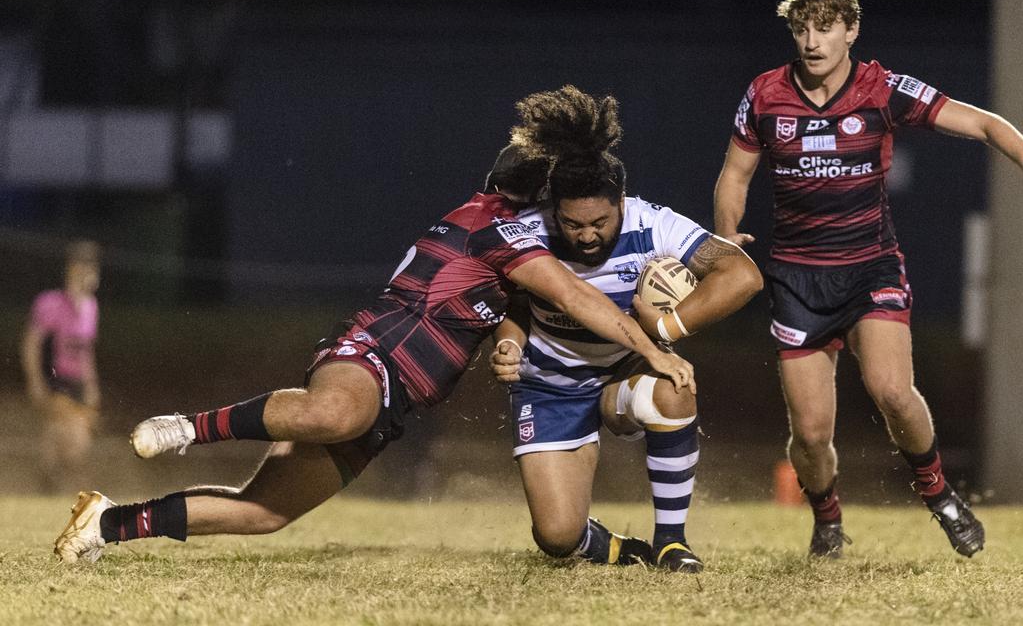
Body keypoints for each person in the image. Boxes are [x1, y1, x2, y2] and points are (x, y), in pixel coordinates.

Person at [53, 112, 696, 564]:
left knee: (266, 512)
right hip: (376, 353)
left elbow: (515, 302)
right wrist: (652, 348)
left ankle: (106, 524)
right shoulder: (501, 227)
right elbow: (576, 298)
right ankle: (189, 428)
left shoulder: (502, 237)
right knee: (333, 411)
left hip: (396, 400)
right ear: (532, 197)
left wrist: (510, 339)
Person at [713, 0, 1023, 559]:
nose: (812, 41)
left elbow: (984, 122)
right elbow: (736, 174)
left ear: (851, 32)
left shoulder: (883, 89)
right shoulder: (764, 94)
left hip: (870, 268)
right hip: (797, 279)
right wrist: (727, 240)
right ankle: (827, 518)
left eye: (825, 29)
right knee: (810, 433)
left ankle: (939, 495)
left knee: (893, 392)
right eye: (802, 29)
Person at [489, 85, 762, 572]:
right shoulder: (530, 230)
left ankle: (671, 542)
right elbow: (512, 302)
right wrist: (508, 344)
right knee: (556, 537)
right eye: (574, 224)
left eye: (599, 220)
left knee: (675, 387)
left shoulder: (653, 224)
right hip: (550, 386)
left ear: (621, 200)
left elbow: (743, 274)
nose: (587, 234)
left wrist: (669, 327)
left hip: (621, 376)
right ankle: (607, 545)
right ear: (555, 209)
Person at [22, 240, 102, 493]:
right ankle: (59, 493)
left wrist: (92, 385)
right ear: (71, 269)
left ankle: (43, 489)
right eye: (83, 267)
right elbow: (31, 344)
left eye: (92, 267)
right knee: (75, 444)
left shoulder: (91, 307)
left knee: (60, 449)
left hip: (78, 383)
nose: (89, 273)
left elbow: (86, 351)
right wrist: (34, 380)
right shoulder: (50, 303)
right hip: (55, 380)